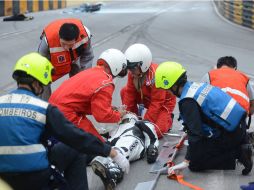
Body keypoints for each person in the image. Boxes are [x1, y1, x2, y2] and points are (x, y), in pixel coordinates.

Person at [0, 52, 129, 190]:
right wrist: (110, 152)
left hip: (3, 179)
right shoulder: (43, 109)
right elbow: (76, 137)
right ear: (36, 82)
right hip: (35, 179)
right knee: (75, 147)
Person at [155, 61, 253, 176]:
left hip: (231, 134)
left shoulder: (187, 101)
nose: (167, 92)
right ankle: (241, 142)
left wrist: (186, 161)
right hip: (239, 127)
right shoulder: (195, 86)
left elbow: (195, 134)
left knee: (195, 163)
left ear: (173, 85)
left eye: (166, 89)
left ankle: (238, 153)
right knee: (198, 148)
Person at [49, 48, 128, 142]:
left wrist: (110, 108)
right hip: (67, 113)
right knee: (98, 146)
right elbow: (102, 115)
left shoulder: (92, 72)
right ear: (116, 67)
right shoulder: (105, 83)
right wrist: (119, 115)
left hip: (53, 108)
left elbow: (81, 100)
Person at [120, 43, 176, 138]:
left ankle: (168, 119)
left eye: (132, 68)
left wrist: (144, 123)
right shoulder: (133, 73)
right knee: (124, 91)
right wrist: (127, 117)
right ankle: (134, 119)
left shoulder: (156, 75)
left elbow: (157, 102)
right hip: (146, 97)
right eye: (129, 68)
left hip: (163, 103)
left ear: (143, 65)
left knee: (156, 132)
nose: (130, 71)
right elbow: (129, 93)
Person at [91, 112, 159, 190]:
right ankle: (106, 165)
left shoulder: (139, 123)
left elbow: (152, 137)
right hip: (114, 145)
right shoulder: (115, 128)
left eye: (129, 112)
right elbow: (99, 136)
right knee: (99, 148)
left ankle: (114, 172)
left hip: (134, 141)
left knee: (124, 146)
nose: (127, 111)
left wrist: (152, 147)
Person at [38, 18, 94, 100]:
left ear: (77, 39)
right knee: (43, 80)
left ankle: (76, 101)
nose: (66, 48)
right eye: (63, 44)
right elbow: (40, 65)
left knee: (80, 77)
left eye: (70, 45)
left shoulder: (84, 35)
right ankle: (45, 106)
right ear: (59, 37)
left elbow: (88, 56)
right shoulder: (47, 41)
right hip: (54, 61)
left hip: (74, 58)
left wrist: (84, 78)